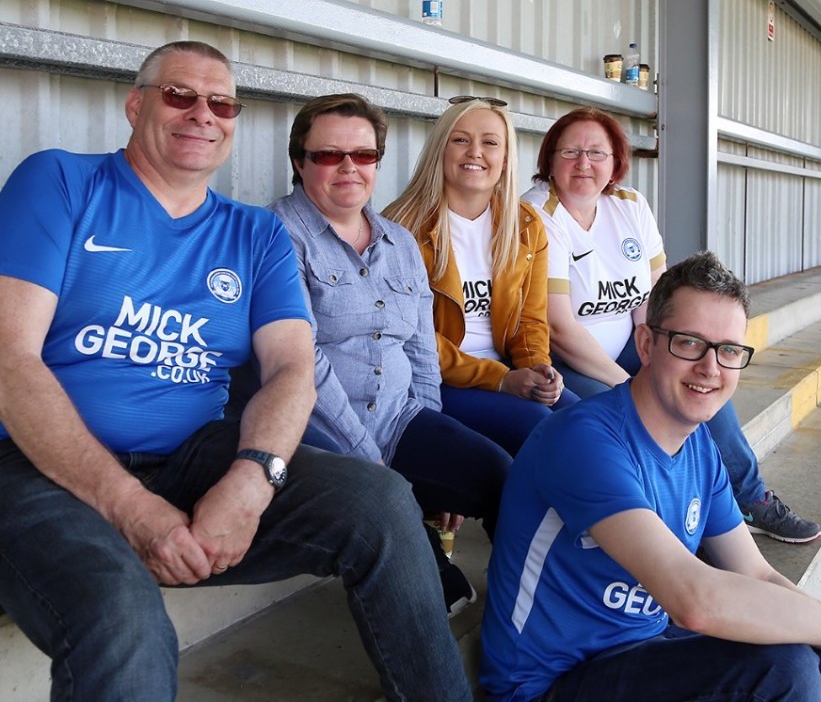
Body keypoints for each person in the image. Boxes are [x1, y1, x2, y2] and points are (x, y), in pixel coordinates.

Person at [0, 41, 471, 702]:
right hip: (36, 464)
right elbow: (9, 357)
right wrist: (131, 506)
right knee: (123, 613)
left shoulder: (255, 233)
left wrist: (253, 479)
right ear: (135, 106)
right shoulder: (61, 182)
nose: (203, 114)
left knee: (383, 504)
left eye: (222, 104)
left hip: (193, 454)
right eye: (179, 95)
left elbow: (292, 369)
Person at [480, 250, 821, 702]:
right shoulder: (584, 441)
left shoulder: (699, 449)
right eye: (689, 343)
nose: (710, 367)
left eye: (729, 350)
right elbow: (695, 600)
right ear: (646, 344)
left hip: (649, 650)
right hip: (553, 683)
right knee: (784, 671)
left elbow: (757, 574)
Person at [254, 92, 514, 615]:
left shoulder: (399, 242)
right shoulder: (274, 234)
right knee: (430, 586)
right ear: (300, 162)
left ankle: (523, 607)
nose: (348, 167)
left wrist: (433, 428)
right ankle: (422, 567)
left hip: (399, 417)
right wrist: (372, 461)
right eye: (329, 155)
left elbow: (421, 351)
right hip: (317, 431)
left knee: (502, 476)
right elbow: (303, 362)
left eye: (364, 154)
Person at [522, 107, 820, 543]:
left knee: (701, 373)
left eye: (596, 153)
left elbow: (657, 298)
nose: (583, 163)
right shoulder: (537, 212)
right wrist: (631, 382)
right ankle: (669, 524)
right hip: (569, 359)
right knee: (636, 413)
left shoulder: (629, 205)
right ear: (550, 159)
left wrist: (662, 353)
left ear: (615, 162)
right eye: (570, 152)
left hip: (632, 339)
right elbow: (561, 328)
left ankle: (751, 498)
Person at [384, 97, 579, 456]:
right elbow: (413, 339)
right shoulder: (401, 226)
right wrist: (501, 379)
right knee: (539, 428)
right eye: (460, 140)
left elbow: (529, 320)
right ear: (440, 150)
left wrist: (539, 368)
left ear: (505, 159)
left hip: (508, 370)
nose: (475, 152)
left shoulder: (524, 224)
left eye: (490, 142)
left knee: (589, 423)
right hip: (440, 379)